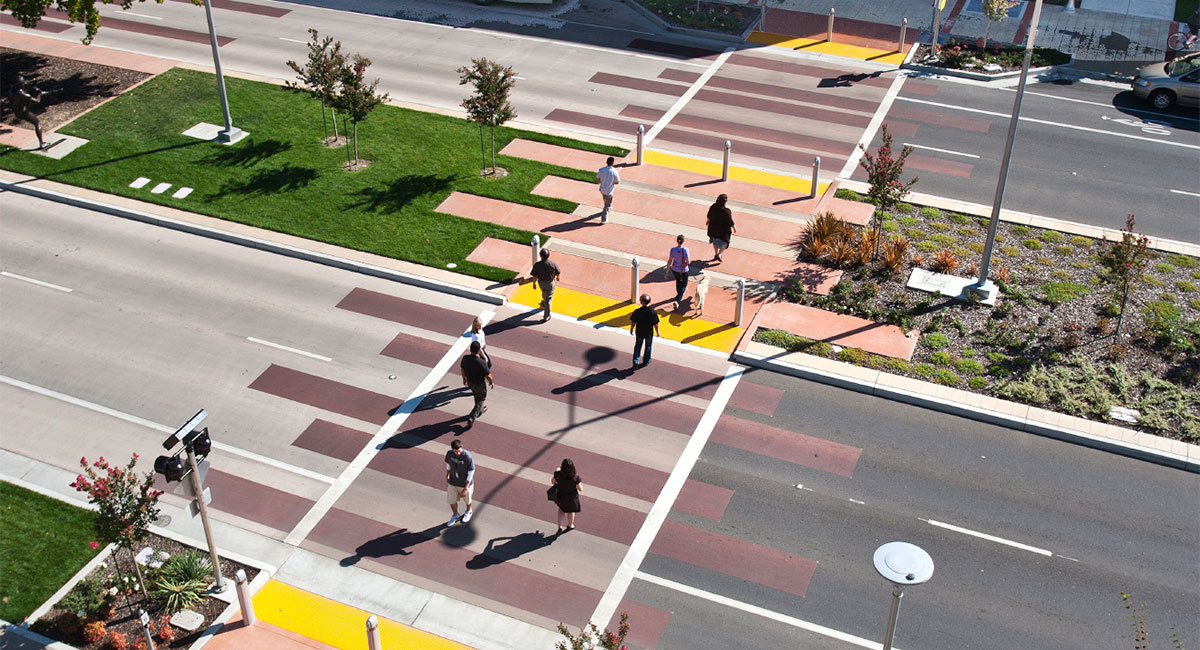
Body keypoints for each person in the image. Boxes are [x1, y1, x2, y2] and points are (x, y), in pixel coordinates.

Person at [7, 75, 46, 150]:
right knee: (37, 123)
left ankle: (41, 143)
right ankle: (41, 143)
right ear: (22, 84)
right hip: (22, 112)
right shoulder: (24, 95)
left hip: (15, 110)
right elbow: (37, 101)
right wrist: (39, 95)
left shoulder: (11, 90)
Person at [460, 340, 493, 427]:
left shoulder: (465, 358)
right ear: (479, 350)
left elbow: (462, 369)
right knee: (481, 399)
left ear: (470, 349)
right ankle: (472, 416)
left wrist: (464, 378)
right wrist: (491, 382)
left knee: (476, 396)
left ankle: (480, 410)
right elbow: (488, 375)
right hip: (479, 384)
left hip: (470, 383)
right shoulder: (481, 363)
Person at [445, 440, 475, 525]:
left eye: (459, 450)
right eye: (455, 451)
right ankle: (455, 515)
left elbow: (471, 471)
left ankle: (468, 511)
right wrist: (446, 475)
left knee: (467, 500)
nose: (457, 453)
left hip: (464, 483)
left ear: (462, 446)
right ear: (452, 449)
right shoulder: (449, 454)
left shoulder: (467, 456)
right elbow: (448, 465)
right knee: (451, 500)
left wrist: (466, 488)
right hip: (453, 481)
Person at [629, 293, 661, 368]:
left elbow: (633, 322)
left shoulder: (637, 311)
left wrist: (631, 329)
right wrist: (657, 332)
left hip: (639, 332)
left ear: (642, 302)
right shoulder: (653, 312)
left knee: (638, 345)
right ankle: (646, 360)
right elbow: (656, 324)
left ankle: (636, 360)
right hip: (649, 333)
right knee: (648, 346)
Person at [551, 458, 582, 533]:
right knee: (571, 511)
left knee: (561, 509)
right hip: (572, 498)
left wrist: (557, 471)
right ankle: (570, 525)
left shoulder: (558, 474)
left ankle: (559, 526)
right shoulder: (575, 478)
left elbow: (552, 482)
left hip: (561, 495)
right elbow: (580, 489)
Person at [530, 248, 561, 322]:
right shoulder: (553, 264)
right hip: (550, 283)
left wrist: (534, 284)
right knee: (549, 299)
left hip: (541, 283)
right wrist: (558, 278)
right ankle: (546, 316)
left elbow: (534, 276)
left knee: (544, 293)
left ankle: (544, 301)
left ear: (540, 256)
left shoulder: (537, 265)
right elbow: (558, 272)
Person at [705, 193, 736, 262]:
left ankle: (716, 253)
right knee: (726, 242)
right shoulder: (727, 211)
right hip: (723, 231)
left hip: (713, 228)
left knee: (714, 240)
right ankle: (719, 254)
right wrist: (734, 228)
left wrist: (707, 221)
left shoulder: (713, 207)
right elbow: (730, 221)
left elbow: (709, 215)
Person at [664, 234, 690, 310]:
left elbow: (669, 261)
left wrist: (666, 273)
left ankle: (678, 295)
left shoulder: (672, 250)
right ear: (684, 241)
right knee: (684, 286)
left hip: (675, 270)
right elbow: (688, 261)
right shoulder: (685, 250)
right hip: (683, 270)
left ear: (677, 241)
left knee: (678, 282)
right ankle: (677, 300)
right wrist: (684, 263)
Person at [596, 156, 620, 223]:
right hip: (609, 191)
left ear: (606, 162)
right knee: (607, 205)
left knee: (605, 200)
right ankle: (604, 219)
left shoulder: (601, 170)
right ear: (613, 163)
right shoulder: (614, 172)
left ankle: (608, 207)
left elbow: (597, 178)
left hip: (602, 189)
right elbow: (617, 182)